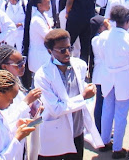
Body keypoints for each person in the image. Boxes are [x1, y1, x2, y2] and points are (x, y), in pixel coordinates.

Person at [33, 28, 103, 159]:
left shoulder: (79, 66)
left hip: (76, 132)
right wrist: (83, 97)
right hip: (55, 134)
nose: (67, 53)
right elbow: (56, 108)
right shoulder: (42, 76)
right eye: (62, 50)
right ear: (50, 51)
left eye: (69, 48)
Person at [100, 6, 129, 158]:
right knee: (120, 114)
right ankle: (117, 148)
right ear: (127, 22)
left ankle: (104, 141)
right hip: (124, 79)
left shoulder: (106, 36)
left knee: (107, 110)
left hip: (108, 76)